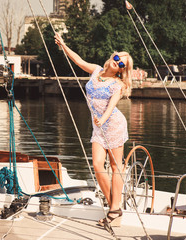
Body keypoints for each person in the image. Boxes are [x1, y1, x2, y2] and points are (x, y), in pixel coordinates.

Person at [55, 33, 133, 227]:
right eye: (117, 59)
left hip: (113, 124)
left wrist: (102, 119)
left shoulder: (118, 84)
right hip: (98, 128)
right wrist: (63, 45)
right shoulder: (96, 71)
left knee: (115, 167)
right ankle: (115, 208)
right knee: (98, 165)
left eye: (122, 64)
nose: (118, 64)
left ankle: (114, 212)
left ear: (123, 70)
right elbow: (78, 60)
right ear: (112, 57)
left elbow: (111, 105)